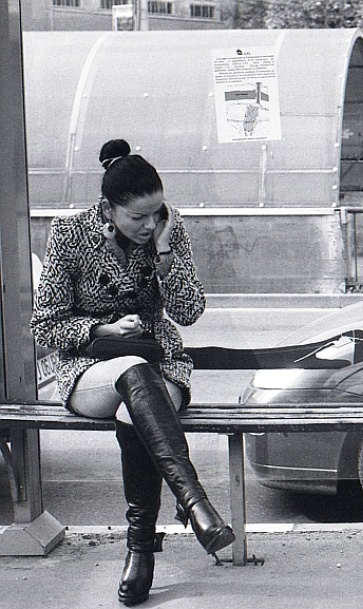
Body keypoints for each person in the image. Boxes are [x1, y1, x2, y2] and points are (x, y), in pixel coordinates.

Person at [31, 139, 234, 606]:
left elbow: (189, 312)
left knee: (134, 410)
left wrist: (164, 254)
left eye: (156, 213)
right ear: (108, 209)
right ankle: (195, 503)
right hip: (90, 370)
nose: (148, 224)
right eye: (138, 216)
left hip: (161, 366)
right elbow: (45, 324)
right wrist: (102, 328)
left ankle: (140, 547)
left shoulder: (168, 232)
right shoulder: (69, 234)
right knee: (132, 370)